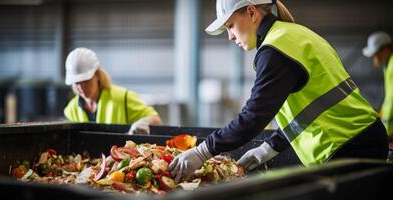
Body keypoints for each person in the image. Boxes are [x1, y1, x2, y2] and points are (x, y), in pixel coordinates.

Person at [169, 0, 388, 182]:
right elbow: (308, 110)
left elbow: (253, 116)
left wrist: (202, 151)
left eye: (230, 26)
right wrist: (270, 147)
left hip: (348, 146)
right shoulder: (295, 34)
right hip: (361, 139)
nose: (230, 37)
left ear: (252, 12)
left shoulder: (276, 50)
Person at [63, 47, 162, 134]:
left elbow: (156, 120)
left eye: (86, 81)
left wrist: (144, 123)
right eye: (77, 83)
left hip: (122, 154)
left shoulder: (123, 98)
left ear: (97, 75)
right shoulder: (71, 110)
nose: (81, 87)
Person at [363, 31, 393, 142]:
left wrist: (387, 129)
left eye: (376, 54)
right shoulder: (389, 63)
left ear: (385, 49)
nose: (375, 58)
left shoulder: (392, 65)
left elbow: (391, 98)